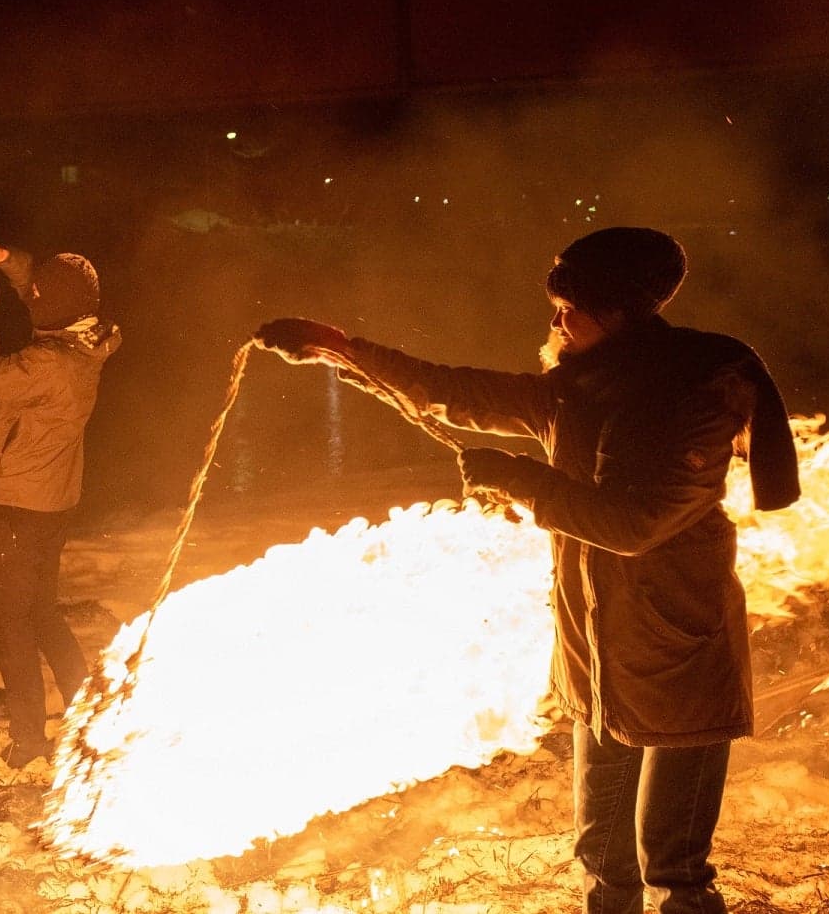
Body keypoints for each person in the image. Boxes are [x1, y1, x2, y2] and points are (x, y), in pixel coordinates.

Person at [254, 227, 799, 914]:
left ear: (618, 312)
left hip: (679, 650)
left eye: (569, 309)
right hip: (595, 651)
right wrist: (344, 350)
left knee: (673, 866)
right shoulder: (573, 390)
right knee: (602, 858)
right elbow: (452, 391)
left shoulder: (695, 391)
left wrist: (519, 479)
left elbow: (634, 525)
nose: (557, 323)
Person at [0, 240, 121, 766]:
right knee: (43, 614)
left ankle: (30, 741)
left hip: (22, 506)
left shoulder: (48, 362)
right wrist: (5, 260)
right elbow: (44, 291)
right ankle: (89, 717)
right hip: (53, 498)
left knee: (11, 626)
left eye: (36, 294)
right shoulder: (86, 340)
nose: (30, 295)